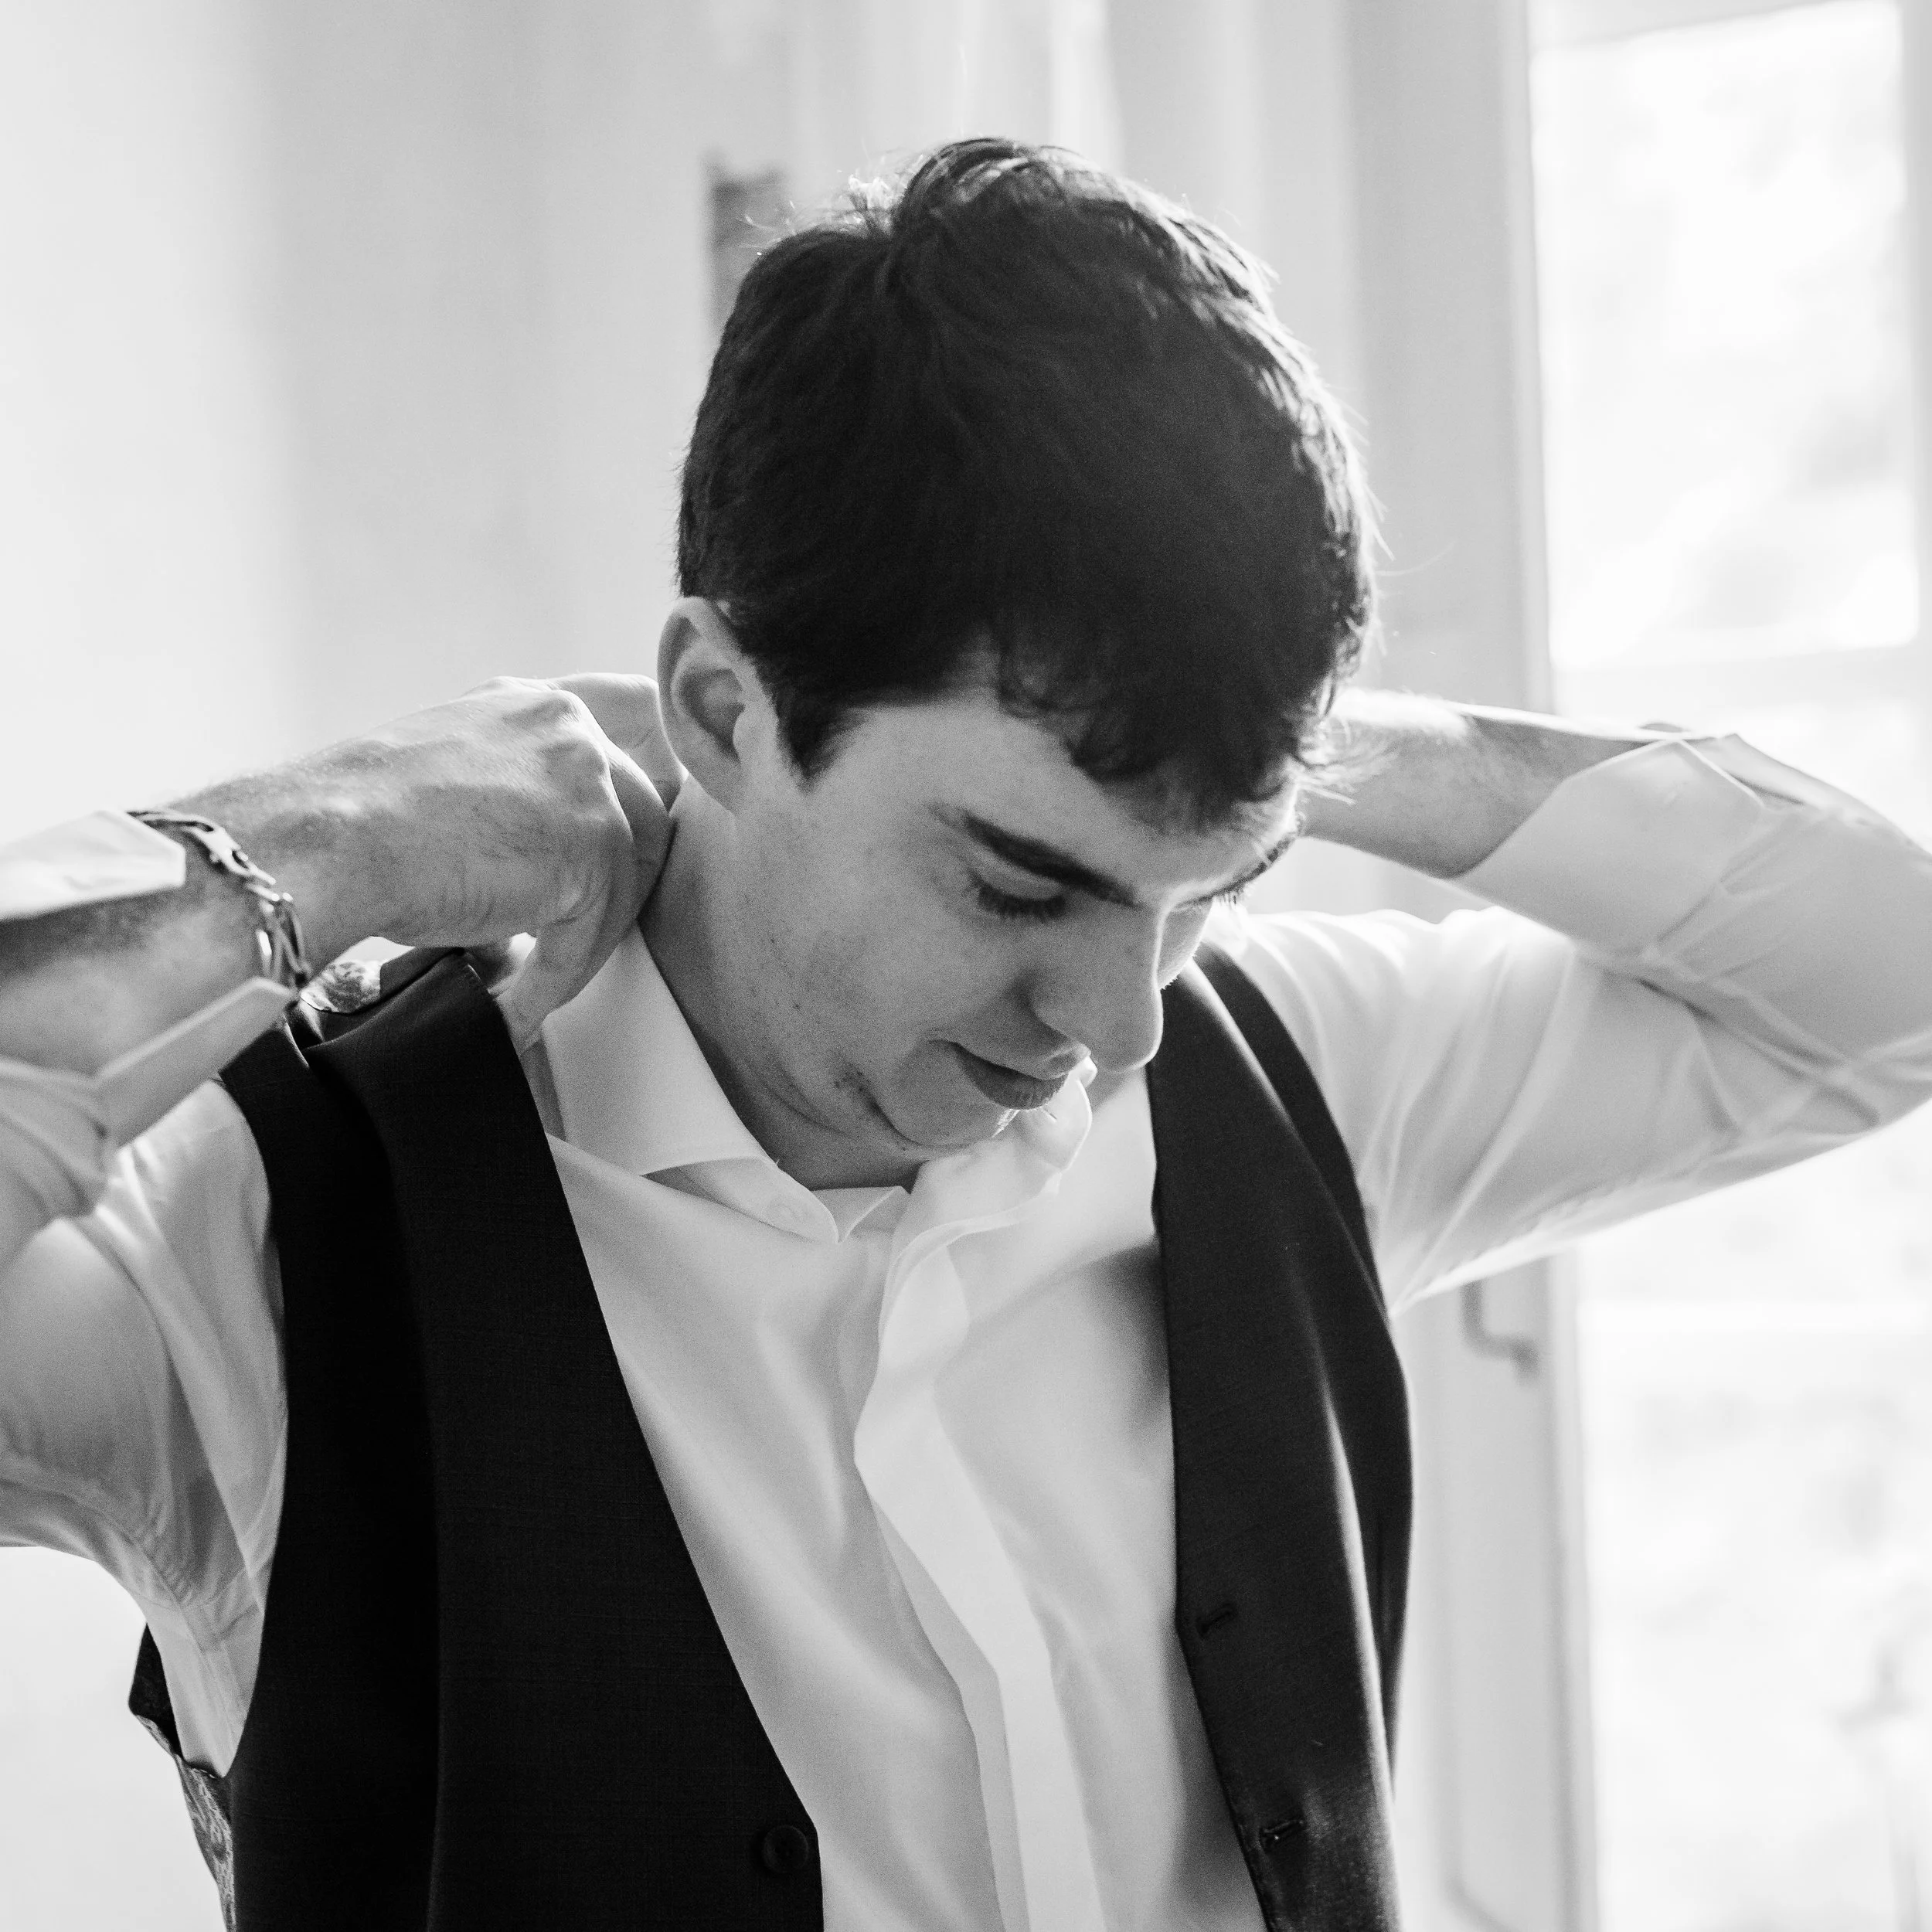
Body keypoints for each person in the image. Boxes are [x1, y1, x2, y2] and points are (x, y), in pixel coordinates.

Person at [2, 138, 1930, 1932]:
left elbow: (1882, 986)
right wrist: (318, 838)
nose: (1116, 1021)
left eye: (1210, 887)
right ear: (723, 707)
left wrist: (1278, 741)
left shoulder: (1285, 1077)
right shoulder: (265, 1239)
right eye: (1018, 882)